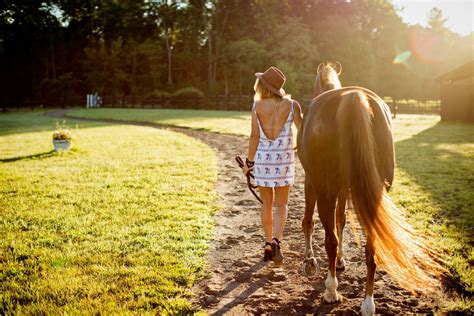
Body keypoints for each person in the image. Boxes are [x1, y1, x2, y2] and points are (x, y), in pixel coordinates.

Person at [242, 66, 302, 264]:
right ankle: (277, 240)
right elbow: (302, 132)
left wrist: (248, 163)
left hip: (263, 162)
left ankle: (268, 243)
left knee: (267, 203)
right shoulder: (293, 105)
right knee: (282, 204)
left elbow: (254, 136)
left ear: (263, 85)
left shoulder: (257, 106)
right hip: (284, 162)